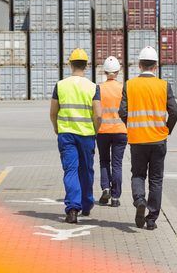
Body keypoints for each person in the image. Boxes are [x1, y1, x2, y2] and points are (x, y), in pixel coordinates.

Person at [119, 46, 177, 231]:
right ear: (156, 66)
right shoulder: (163, 85)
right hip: (158, 140)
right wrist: (167, 129)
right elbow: (175, 111)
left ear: (139, 65)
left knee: (138, 174)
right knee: (156, 180)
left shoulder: (129, 85)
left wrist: (131, 126)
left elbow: (122, 111)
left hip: (137, 140)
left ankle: (139, 201)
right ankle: (151, 219)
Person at [50, 48, 102, 224]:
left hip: (66, 134)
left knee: (70, 170)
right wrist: (95, 130)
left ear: (70, 64)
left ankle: (72, 209)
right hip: (87, 135)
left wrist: (57, 128)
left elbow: (53, 112)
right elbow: (98, 114)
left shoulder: (60, 85)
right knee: (86, 170)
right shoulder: (93, 87)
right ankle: (86, 204)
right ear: (86, 65)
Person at [96, 56, 128, 208]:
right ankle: (115, 198)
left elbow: (95, 110)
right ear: (118, 71)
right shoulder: (123, 88)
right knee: (117, 164)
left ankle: (105, 188)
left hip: (102, 131)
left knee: (104, 161)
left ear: (104, 71)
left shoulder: (99, 88)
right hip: (120, 131)